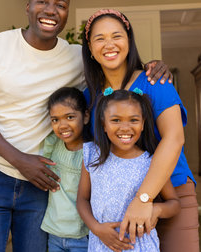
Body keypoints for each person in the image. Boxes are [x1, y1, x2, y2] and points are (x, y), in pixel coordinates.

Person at [0, 0, 171, 251]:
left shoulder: (77, 58)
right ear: (28, 8)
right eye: (42, 2)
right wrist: (20, 160)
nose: (51, 10)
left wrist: (153, 67)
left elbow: (115, 68)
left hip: (43, 184)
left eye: (60, 5)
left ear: (66, 15)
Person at [82, 9, 199, 251]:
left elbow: (174, 138)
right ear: (90, 49)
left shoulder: (155, 80)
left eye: (117, 36)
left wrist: (143, 199)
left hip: (170, 192)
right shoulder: (89, 97)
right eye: (99, 38)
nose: (109, 44)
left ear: (129, 41)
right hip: (117, 204)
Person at [77, 89, 181, 252]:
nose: (125, 128)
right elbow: (82, 199)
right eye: (116, 120)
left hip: (142, 247)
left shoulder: (151, 163)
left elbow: (174, 204)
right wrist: (96, 228)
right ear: (104, 124)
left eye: (133, 120)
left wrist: (156, 210)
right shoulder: (92, 155)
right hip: (102, 245)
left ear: (143, 124)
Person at [40, 87, 91, 252]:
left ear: (86, 116)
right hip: (54, 233)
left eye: (70, 117)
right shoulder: (53, 144)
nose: (62, 125)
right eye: (55, 120)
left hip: (83, 236)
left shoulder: (93, 152)